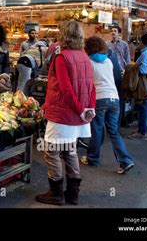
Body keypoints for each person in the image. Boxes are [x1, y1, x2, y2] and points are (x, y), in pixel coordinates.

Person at [36, 21, 95, 206]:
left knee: (51, 152)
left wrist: (79, 109)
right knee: (70, 151)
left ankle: (56, 193)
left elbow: (65, 89)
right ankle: (73, 194)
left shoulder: (62, 57)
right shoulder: (85, 56)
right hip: (80, 114)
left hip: (63, 114)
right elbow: (92, 86)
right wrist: (88, 109)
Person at [81, 36, 134, 174]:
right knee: (114, 133)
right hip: (114, 99)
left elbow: (86, 84)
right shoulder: (109, 61)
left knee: (97, 130)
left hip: (99, 98)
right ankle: (126, 161)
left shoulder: (88, 62)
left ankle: (93, 158)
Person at [128, 33, 147, 140]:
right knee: (144, 107)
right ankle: (143, 129)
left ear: (142, 42)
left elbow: (143, 70)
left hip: (144, 85)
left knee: (143, 107)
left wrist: (133, 67)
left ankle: (143, 132)